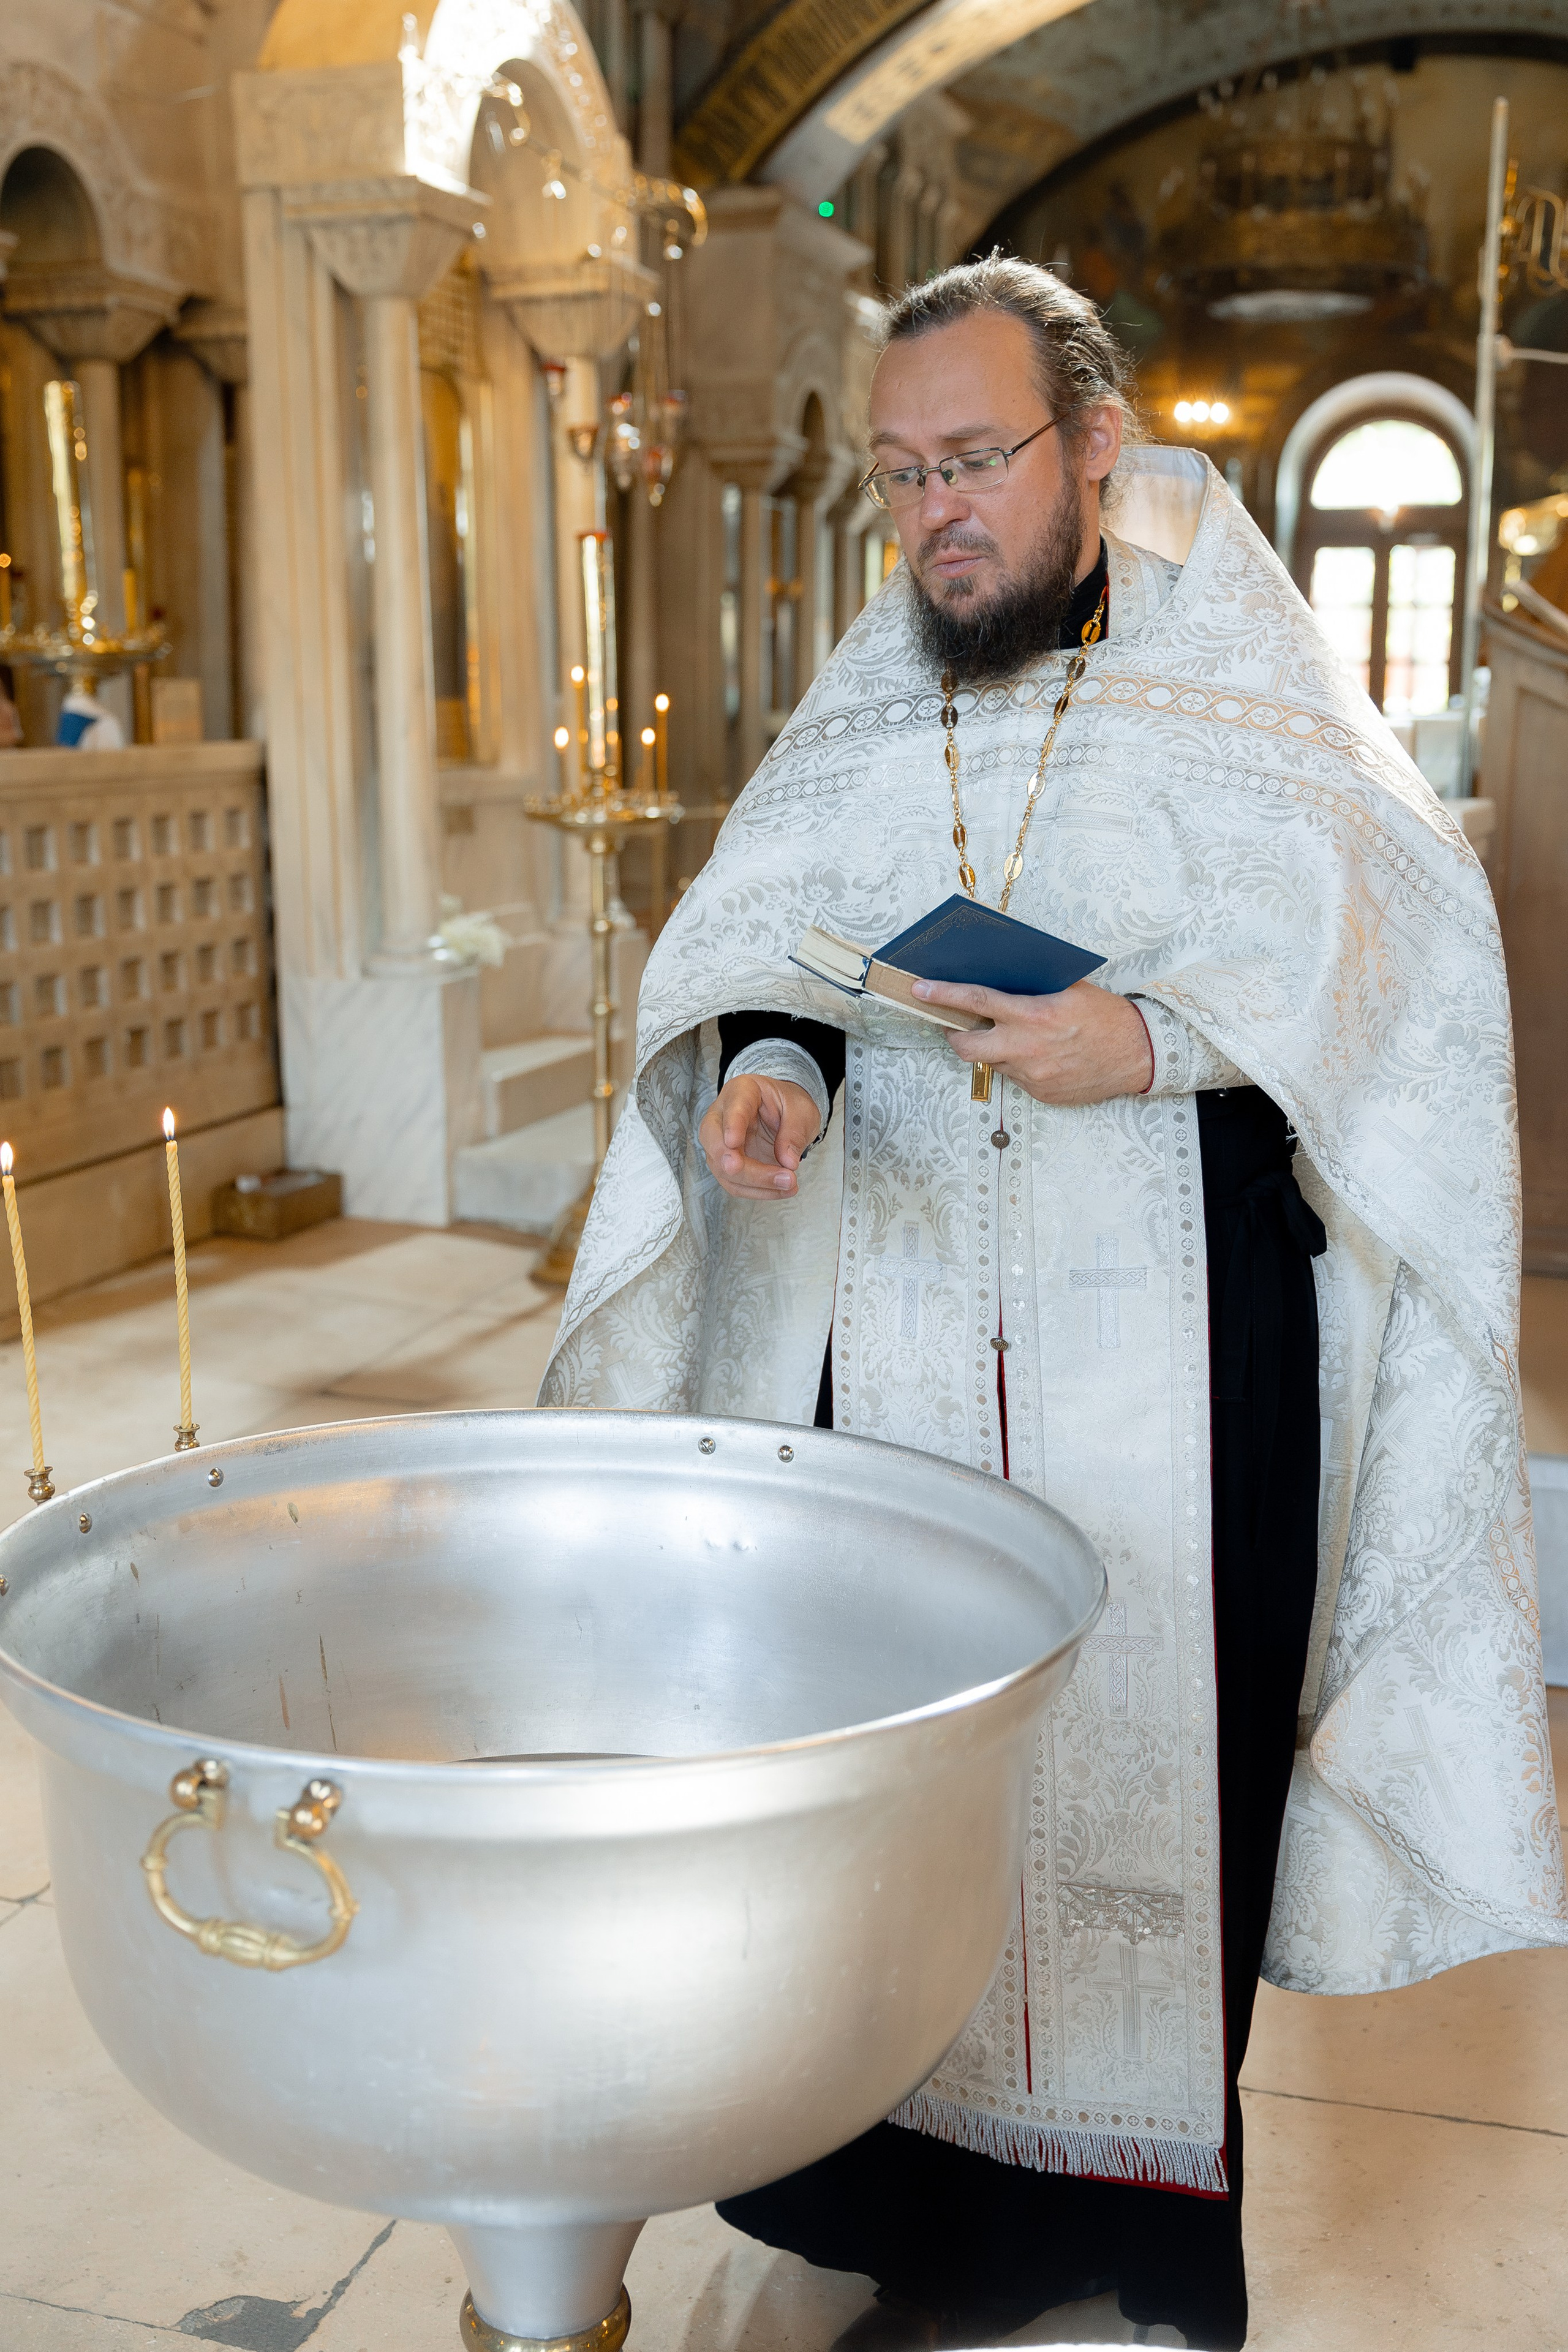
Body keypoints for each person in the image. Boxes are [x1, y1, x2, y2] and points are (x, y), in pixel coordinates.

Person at [541, 258, 1564, 2349]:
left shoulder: (1246, 668)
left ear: (1093, 443)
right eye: (901, 475)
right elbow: (775, 937)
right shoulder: (871, 683)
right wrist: (770, 1070)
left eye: (973, 463)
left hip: (1178, 1355)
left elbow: (1404, 967)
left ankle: (1133, 2231)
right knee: (900, 1773)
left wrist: (1159, 1044)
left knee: (1142, 1767)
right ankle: (903, 2199)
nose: (936, 516)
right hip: (901, 1336)